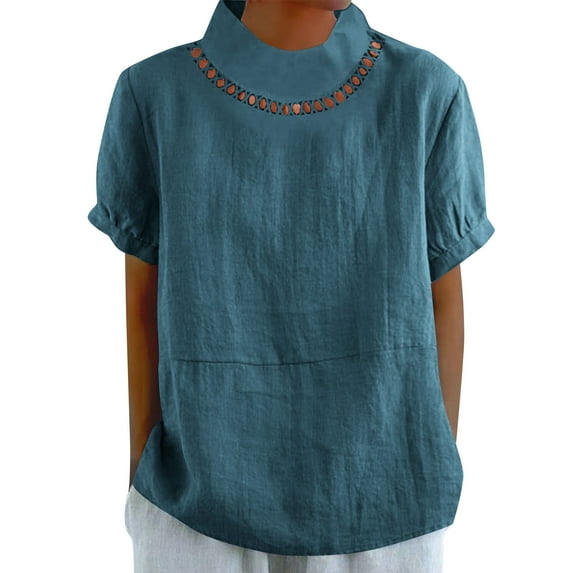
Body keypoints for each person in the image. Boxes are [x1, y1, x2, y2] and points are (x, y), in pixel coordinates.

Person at [87, 0, 495, 571]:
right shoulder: (154, 95)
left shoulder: (426, 93)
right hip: (194, 509)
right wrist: (144, 481)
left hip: (386, 509)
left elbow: (443, 302)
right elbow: (142, 307)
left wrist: (423, 460)